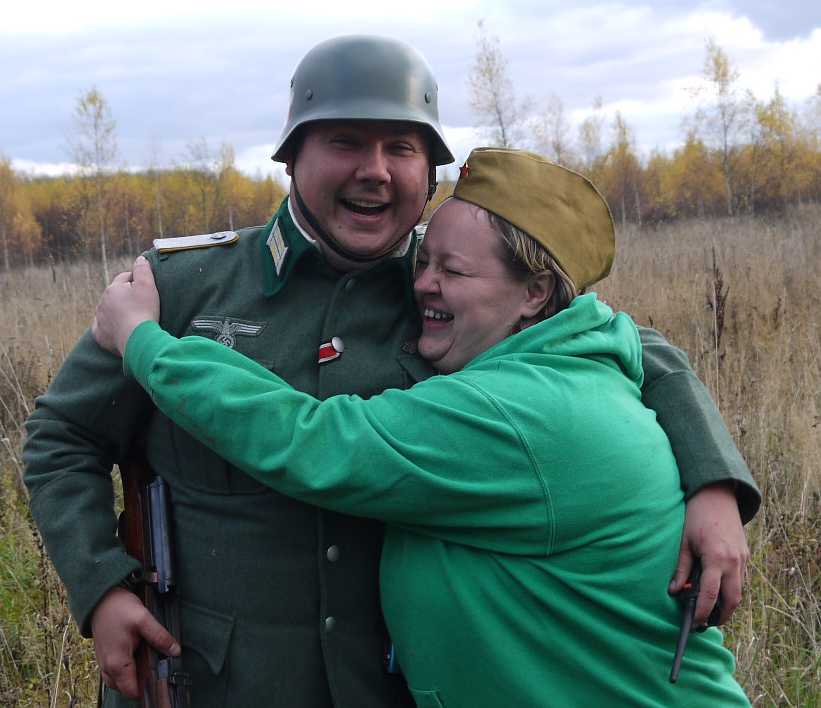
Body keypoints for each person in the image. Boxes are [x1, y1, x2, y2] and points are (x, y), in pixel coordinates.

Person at [22, 35, 758, 708]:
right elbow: (61, 438)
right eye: (345, 141)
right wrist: (102, 587)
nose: (373, 171)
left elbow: (629, 346)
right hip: (211, 679)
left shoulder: (453, 291)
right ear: (291, 156)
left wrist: (713, 482)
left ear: (429, 173)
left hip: (387, 686)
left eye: (400, 148)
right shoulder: (177, 289)